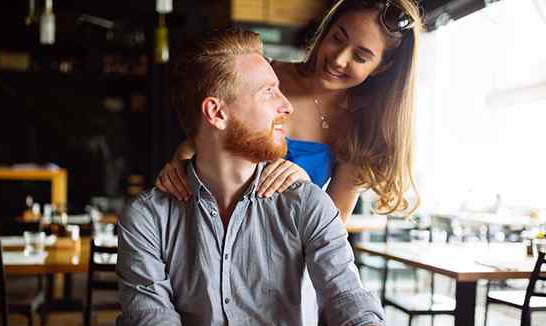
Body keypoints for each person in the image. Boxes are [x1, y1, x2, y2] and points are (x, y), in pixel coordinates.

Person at [116, 28, 395, 326]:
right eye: (268, 92)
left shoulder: (308, 204)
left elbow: (349, 302)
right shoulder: (147, 219)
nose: (287, 107)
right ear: (217, 112)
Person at [156, 0, 423, 222]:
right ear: (326, 29)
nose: (339, 58)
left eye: (361, 56)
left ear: (382, 67)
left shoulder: (360, 127)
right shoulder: (266, 74)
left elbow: (333, 227)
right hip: (210, 230)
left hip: (285, 259)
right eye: (337, 38)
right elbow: (197, 143)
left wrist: (304, 187)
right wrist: (178, 167)